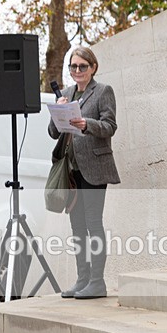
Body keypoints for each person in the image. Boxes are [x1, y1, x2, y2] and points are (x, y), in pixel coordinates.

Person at [48, 46, 120, 299]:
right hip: (72, 169)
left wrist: (86, 124)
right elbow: (53, 132)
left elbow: (110, 126)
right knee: (77, 226)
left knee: (93, 223)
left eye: (82, 66)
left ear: (93, 68)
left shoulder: (103, 92)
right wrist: (59, 111)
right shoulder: (66, 93)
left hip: (95, 167)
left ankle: (97, 281)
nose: (77, 71)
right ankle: (83, 278)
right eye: (73, 67)